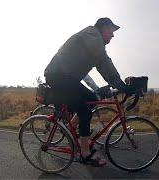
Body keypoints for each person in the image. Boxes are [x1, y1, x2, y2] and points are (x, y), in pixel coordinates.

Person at [44, 17, 127, 166]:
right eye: (111, 30)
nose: (113, 35)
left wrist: (115, 83)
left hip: (65, 76)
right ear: (102, 28)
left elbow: (102, 64)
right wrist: (120, 84)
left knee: (90, 98)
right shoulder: (93, 35)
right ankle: (84, 153)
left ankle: (71, 129)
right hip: (58, 75)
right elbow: (103, 61)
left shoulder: (94, 39)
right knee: (85, 110)